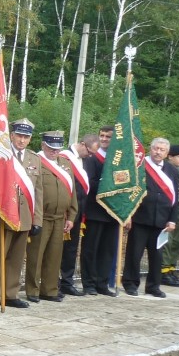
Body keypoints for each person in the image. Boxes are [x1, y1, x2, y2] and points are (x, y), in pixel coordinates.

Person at [0, 118, 42, 310]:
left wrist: (37, 219)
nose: (22, 140)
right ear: (11, 135)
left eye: (26, 137)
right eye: (19, 135)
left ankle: (10, 294)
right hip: (4, 214)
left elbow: (38, 191)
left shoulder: (35, 159)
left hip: (25, 215)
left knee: (17, 258)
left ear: (30, 138)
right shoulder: (2, 154)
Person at [24, 131, 78, 303]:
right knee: (36, 256)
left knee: (54, 256)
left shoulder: (65, 163)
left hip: (59, 217)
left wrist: (72, 216)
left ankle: (49, 289)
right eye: (50, 148)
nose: (54, 151)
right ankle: (32, 290)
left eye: (57, 148)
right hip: (42, 217)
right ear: (43, 146)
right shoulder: (37, 162)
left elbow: (72, 191)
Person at [122, 137, 178, 298]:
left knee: (157, 256)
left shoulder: (172, 171)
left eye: (162, 150)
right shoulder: (140, 166)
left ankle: (153, 286)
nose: (158, 152)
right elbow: (130, 191)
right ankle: (130, 283)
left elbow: (175, 198)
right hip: (140, 218)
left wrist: (172, 220)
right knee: (134, 253)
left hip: (161, 221)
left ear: (167, 153)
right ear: (150, 149)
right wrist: (129, 214)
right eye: (155, 148)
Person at [80, 126, 119, 296]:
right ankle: (88, 283)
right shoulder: (92, 159)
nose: (103, 139)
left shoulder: (119, 161)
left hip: (113, 211)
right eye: (101, 136)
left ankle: (102, 284)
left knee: (107, 250)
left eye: (108, 137)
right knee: (91, 249)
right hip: (95, 210)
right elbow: (90, 183)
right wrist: (109, 184)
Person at [58, 134, 97, 296]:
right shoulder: (63, 157)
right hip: (63, 210)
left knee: (71, 248)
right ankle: (52, 282)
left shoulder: (87, 161)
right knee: (56, 248)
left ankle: (67, 282)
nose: (91, 155)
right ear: (82, 144)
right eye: (90, 151)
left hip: (78, 211)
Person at [160, 144, 179, 286]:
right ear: (170, 156)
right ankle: (163, 270)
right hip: (169, 206)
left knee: (177, 241)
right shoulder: (164, 170)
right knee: (168, 240)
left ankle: (170, 268)